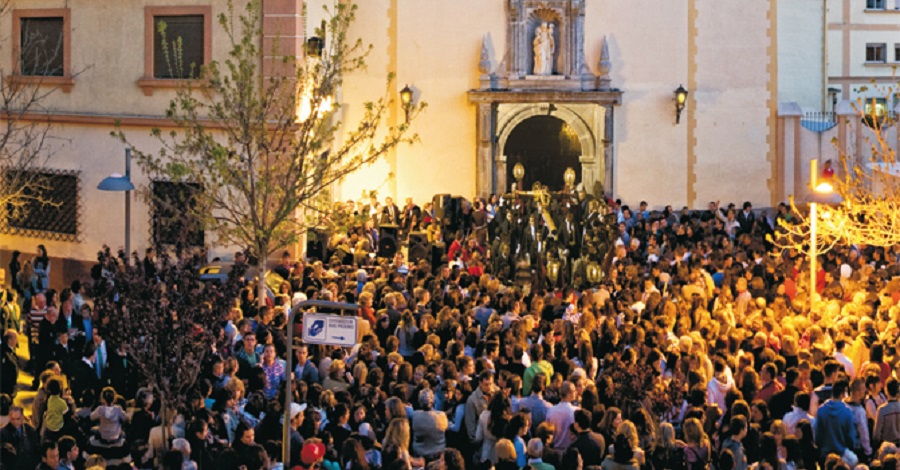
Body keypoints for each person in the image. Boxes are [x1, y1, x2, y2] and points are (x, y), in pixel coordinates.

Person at [411, 388, 448, 459]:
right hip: (438, 452)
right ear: (433, 400)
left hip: (419, 453)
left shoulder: (415, 415)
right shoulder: (442, 415)